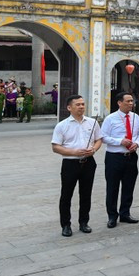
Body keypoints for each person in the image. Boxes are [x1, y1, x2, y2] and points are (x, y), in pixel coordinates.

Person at [50, 94, 102, 237]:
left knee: (86, 194)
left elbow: (98, 140)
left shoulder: (92, 122)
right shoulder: (62, 125)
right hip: (70, 163)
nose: (81, 107)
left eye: (83, 104)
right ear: (69, 107)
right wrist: (74, 152)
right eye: (78, 104)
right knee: (66, 195)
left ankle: (84, 222)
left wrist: (94, 149)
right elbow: (55, 147)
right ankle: (66, 225)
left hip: (88, 162)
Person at [101, 92, 139, 228]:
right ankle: (112, 216)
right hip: (115, 157)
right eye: (128, 101)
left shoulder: (135, 117)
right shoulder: (110, 118)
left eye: (132, 101)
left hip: (131, 157)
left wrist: (136, 143)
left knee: (128, 186)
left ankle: (125, 213)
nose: (131, 104)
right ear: (119, 103)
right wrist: (120, 141)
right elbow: (103, 137)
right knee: (112, 188)